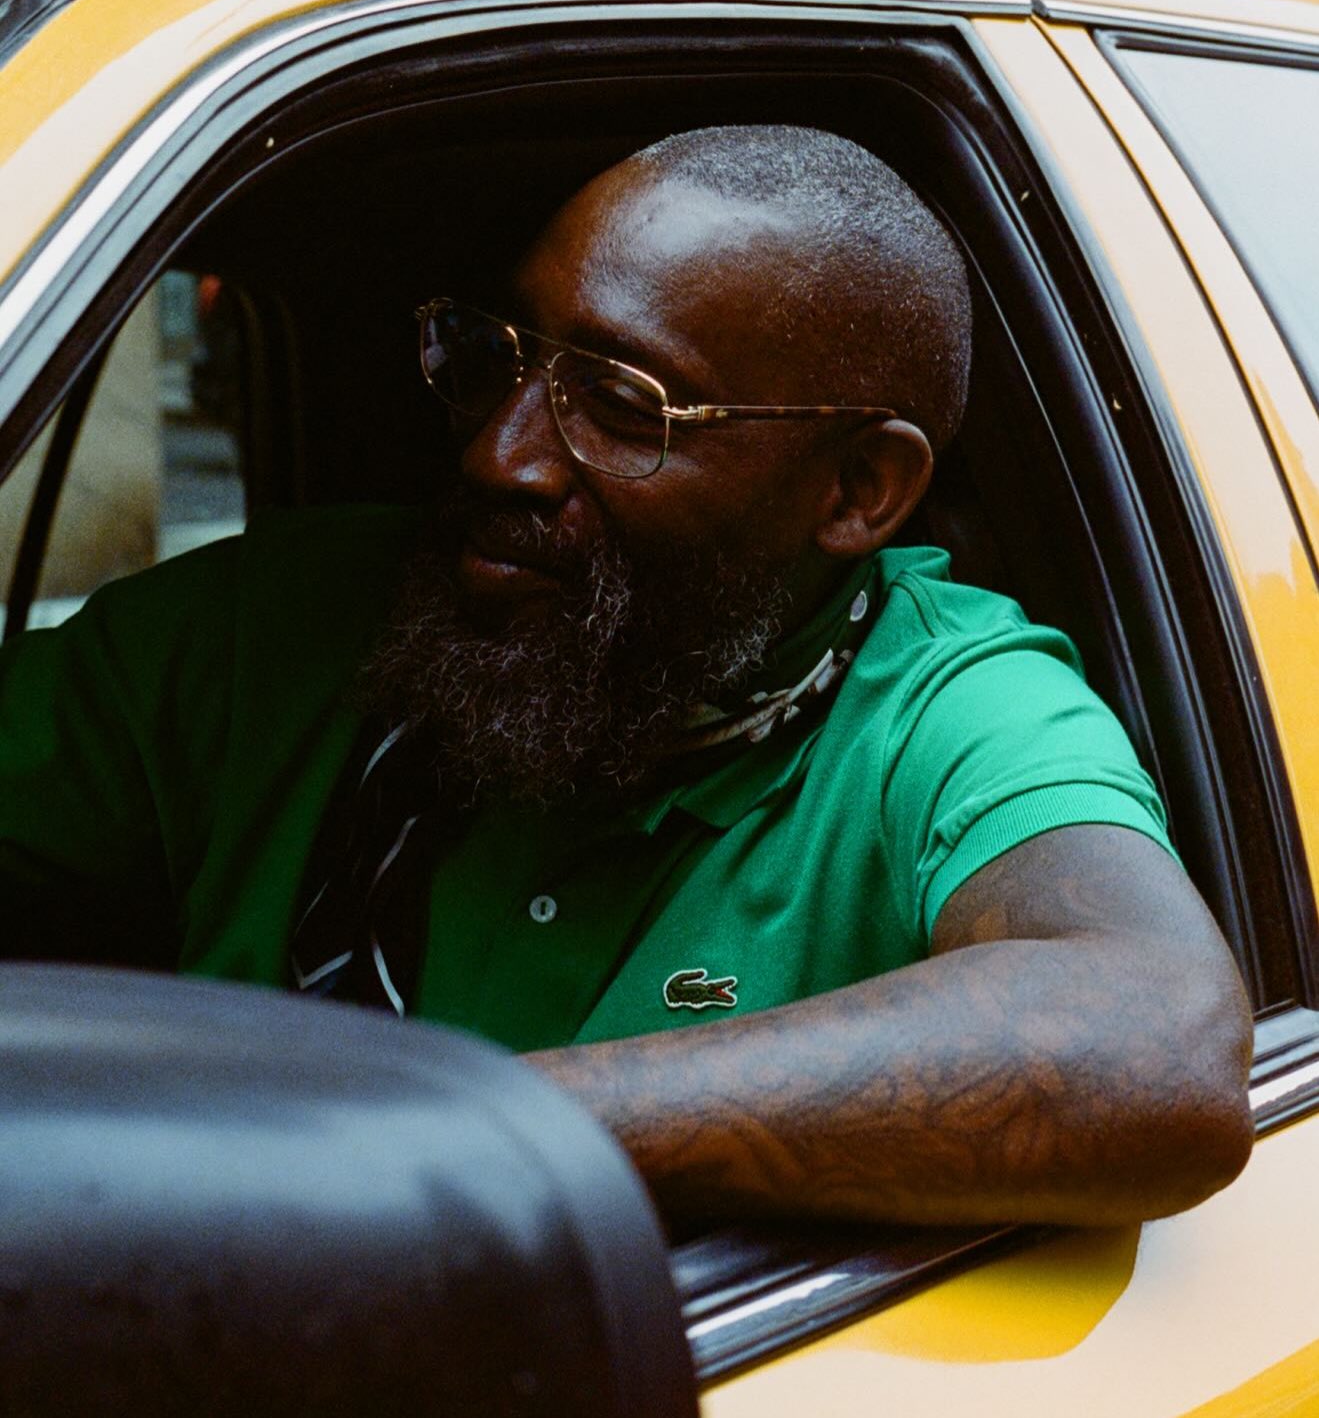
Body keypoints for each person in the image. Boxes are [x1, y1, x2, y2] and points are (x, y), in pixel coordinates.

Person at [0, 124, 1252, 1230]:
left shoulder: (945, 707)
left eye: (620, 403)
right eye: (499, 355)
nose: (502, 455)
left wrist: (445, 1133)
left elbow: (1153, 1039)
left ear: (856, 489)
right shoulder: (284, 619)